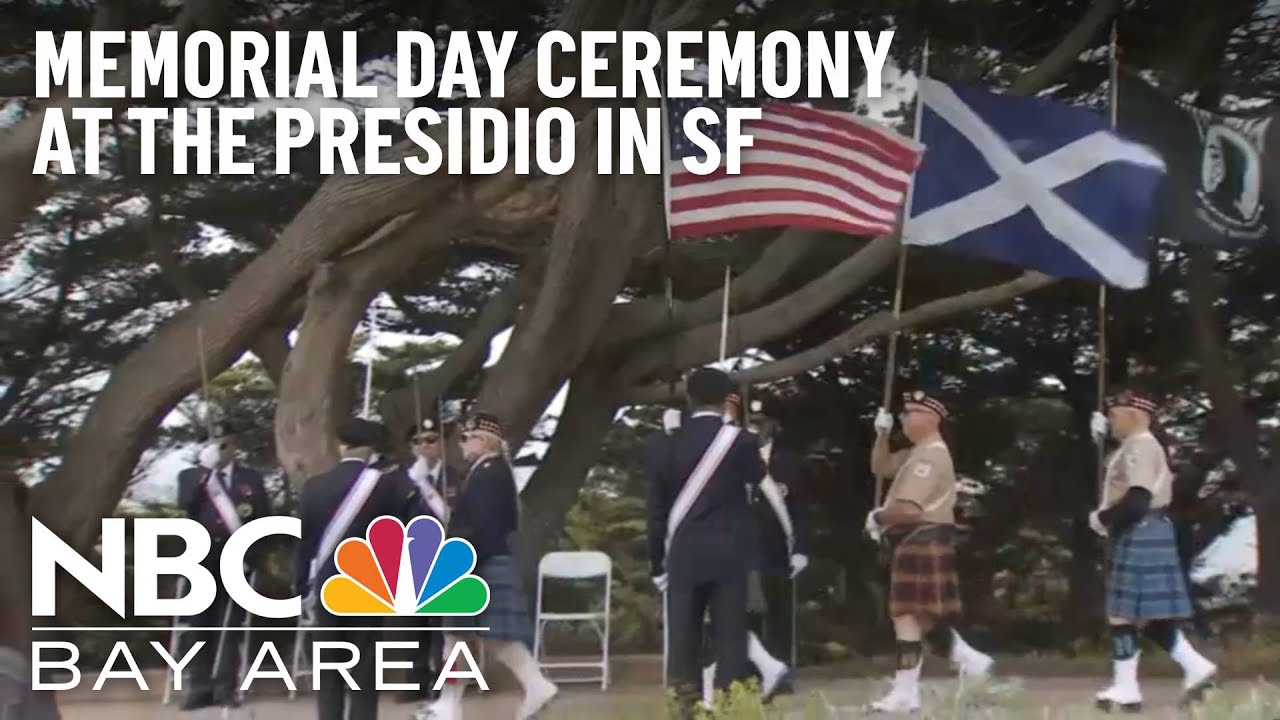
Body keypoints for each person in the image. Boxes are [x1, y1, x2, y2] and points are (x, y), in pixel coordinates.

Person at [1087, 390, 1218, 712]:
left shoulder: (1141, 446)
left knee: (1122, 614)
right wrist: (1103, 441)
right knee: (1149, 617)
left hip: (1141, 528)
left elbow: (1137, 499)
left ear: (1135, 414)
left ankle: (1127, 688)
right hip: (1146, 530)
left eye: (1116, 415)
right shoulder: (1135, 446)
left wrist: (1102, 518)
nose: (1112, 420)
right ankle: (1196, 668)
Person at [865, 390, 994, 713]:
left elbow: (908, 509)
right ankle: (966, 660)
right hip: (918, 540)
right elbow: (881, 467)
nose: (905, 418)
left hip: (921, 537)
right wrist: (881, 434)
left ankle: (907, 690)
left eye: (912, 412)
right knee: (918, 617)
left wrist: (877, 517)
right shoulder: (915, 452)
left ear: (932, 418)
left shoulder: (929, 456)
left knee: (907, 616)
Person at [423, 413, 558, 720]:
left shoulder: (486, 474)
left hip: (476, 562)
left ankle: (454, 703)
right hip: (486, 559)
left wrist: (459, 562)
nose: (461, 444)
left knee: (471, 635)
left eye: (465, 438)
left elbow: (480, 527)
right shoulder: (490, 472)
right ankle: (451, 701)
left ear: (482, 440)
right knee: (473, 636)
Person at [648, 367, 765, 715]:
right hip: (731, 551)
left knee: (683, 639)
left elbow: (656, 511)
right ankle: (731, 708)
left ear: (688, 397)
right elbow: (758, 481)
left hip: (684, 554)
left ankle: (685, 709)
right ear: (726, 399)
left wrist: (657, 563)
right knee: (731, 637)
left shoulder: (665, 443)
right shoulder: (741, 440)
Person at [296, 417, 418, 720]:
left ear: (341, 446)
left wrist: (300, 585)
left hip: (325, 582)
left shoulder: (314, 486)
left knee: (329, 663)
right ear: (370, 450)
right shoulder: (388, 485)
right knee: (363, 663)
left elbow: (305, 543)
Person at [698, 397, 799, 706]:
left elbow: (789, 508)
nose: (758, 430)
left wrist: (797, 545)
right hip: (728, 548)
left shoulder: (756, 461)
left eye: (763, 425)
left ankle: (763, 670)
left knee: (729, 618)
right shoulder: (725, 456)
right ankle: (758, 672)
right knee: (721, 619)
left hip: (746, 551)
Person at [175, 421, 271, 711]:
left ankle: (225, 687)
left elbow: (264, 515)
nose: (223, 450)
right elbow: (187, 504)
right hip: (201, 560)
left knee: (232, 625)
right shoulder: (191, 476)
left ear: (235, 444)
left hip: (238, 560)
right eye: (216, 445)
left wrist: (252, 553)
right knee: (198, 624)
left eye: (227, 444)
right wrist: (206, 472)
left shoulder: (250, 478)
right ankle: (199, 686)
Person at [399, 419, 463, 705]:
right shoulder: (402, 479)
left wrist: (424, 484)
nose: (425, 446)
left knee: (442, 625)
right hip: (410, 557)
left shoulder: (455, 476)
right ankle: (415, 681)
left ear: (441, 443)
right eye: (418, 441)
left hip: (444, 557)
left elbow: (454, 517)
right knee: (414, 625)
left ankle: (442, 682)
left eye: (431, 439)